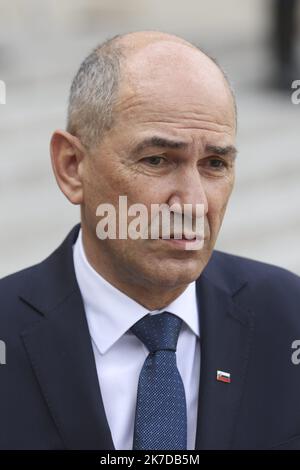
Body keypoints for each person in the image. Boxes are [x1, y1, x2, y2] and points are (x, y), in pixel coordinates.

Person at [1, 30, 300, 451]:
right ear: (72, 167)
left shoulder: (288, 317)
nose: (194, 203)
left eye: (215, 163)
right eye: (157, 160)